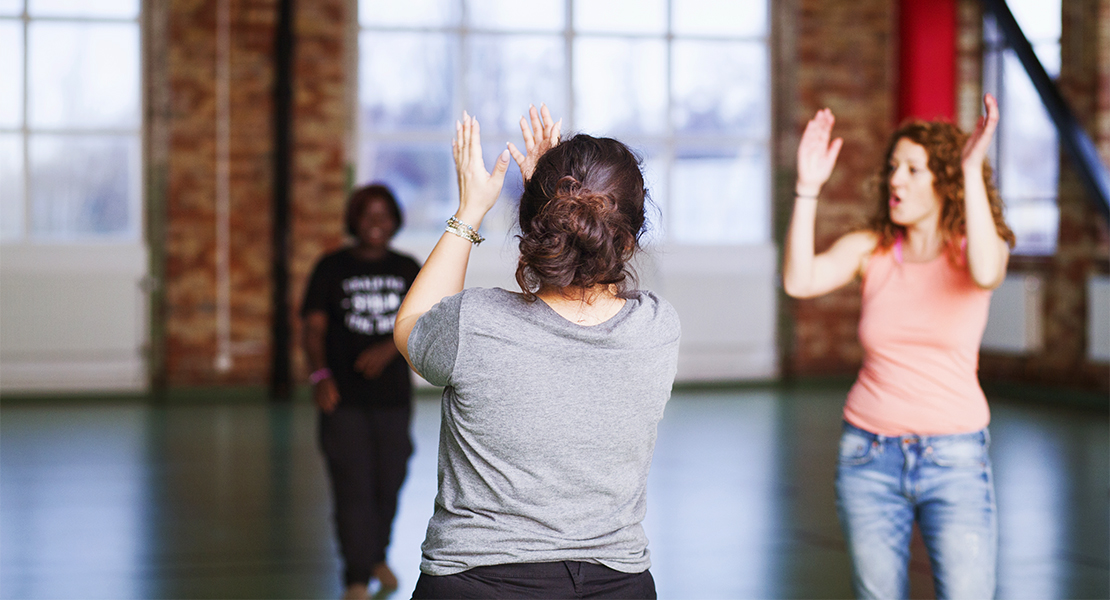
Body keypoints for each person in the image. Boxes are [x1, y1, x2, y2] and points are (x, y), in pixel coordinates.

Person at [392, 104, 680, 600]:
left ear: (532, 225)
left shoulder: (473, 324)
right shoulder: (658, 327)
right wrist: (557, 203)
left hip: (476, 583)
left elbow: (410, 328)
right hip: (619, 584)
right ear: (630, 241)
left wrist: (469, 212)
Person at [783, 94, 1015, 599]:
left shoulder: (973, 248)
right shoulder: (873, 248)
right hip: (868, 456)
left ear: (944, 179)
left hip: (955, 458)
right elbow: (800, 281)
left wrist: (972, 166)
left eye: (912, 169)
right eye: (892, 168)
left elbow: (987, 271)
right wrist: (807, 188)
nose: (895, 180)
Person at [300, 184, 421, 600]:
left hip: (393, 401)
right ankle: (355, 577)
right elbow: (313, 329)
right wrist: (320, 376)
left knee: (388, 483)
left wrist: (389, 348)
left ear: (395, 221)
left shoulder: (408, 268)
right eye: (367, 214)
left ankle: (377, 556)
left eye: (384, 215)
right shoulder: (331, 267)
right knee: (352, 489)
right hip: (343, 400)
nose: (376, 223)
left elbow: (423, 322)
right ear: (353, 219)